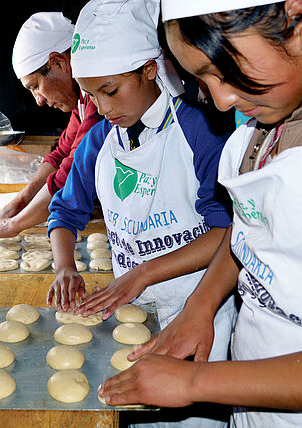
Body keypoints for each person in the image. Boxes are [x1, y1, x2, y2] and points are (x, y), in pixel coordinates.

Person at [98, 0, 302, 427]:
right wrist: (202, 304)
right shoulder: (278, 98)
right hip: (254, 392)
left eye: (225, 71)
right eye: (203, 80)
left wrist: (194, 382)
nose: (222, 100)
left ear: (299, 22)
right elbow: (253, 225)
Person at [47, 1, 236, 425]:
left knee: (192, 416)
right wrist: (64, 267)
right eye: (91, 94)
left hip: (196, 308)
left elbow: (228, 232)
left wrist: (143, 272)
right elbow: (64, 211)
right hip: (131, 310)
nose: (103, 106)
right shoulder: (99, 141)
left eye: (110, 90)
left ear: (150, 69)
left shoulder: (201, 131)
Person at [0, 12, 101, 239]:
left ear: (58, 62)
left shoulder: (99, 99)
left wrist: (14, 225)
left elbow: (69, 173)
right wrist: (17, 204)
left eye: (36, 86)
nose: (39, 100)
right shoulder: (82, 100)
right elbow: (60, 155)